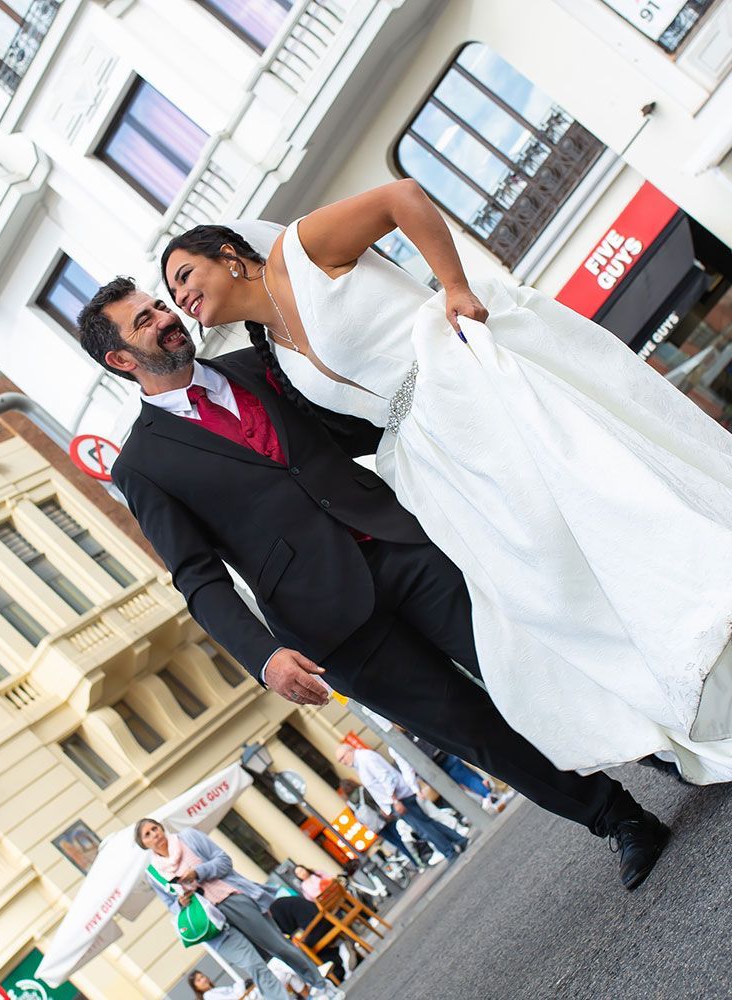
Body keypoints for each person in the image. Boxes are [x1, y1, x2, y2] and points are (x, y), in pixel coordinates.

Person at [147, 181, 732, 788]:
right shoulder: (272, 349)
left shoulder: (302, 250)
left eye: (183, 276)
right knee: (557, 586)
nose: (180, 297)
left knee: (616, 518)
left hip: (481, 390)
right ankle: (714, 686)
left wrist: (453, 287)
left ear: (228, 253)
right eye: (171, 292)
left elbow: (401, 198)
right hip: (438, 456)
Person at [80, 280, 671, 893]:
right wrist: (264, 658)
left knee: (540, 664)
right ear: (120, 359)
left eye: (158, 306)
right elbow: (197, 578)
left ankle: (665, 749)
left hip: (402, 543)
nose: (164, 318)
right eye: (143, 321)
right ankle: (617, 817)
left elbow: (357, 427)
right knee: (476, 732)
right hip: (329, 627)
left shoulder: (261, 359)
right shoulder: (142, 465)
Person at [135, 819, 342, 1000]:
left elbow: (224, 861)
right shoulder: (154, 874)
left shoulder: (188, 838)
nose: (154, 834)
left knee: (279, 947)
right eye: (147, 834)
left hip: (231, 899)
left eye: (155, 828)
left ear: (161, 828)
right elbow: (171, 905)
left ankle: (322, 986)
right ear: (144, 844)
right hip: (210, 925)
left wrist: (197, 873)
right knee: (254, 966)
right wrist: (181, 902)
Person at [337, 743, 468, 863]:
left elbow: (386, 778)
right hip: (397, 799)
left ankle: (449, 851)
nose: (343, 762)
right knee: (425, 823)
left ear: (349, 751)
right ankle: (458, 840)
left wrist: (395, 801)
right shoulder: (360, 762)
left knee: (423, 828)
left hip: (399, 798)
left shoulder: (365, 758)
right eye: (340, 760)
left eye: (342, 758)